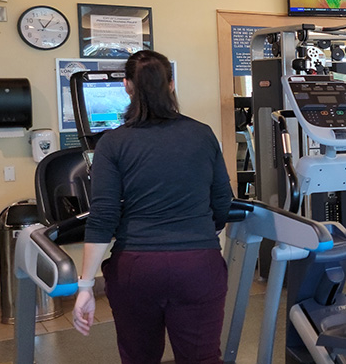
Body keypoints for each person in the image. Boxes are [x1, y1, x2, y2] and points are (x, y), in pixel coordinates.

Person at [72, 50, 234, 363]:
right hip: (198, 266)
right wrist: (195, 234)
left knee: (139, 357)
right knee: (202, 358)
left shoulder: (112, 143)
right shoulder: (202, 134)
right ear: (171, 84)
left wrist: (85, 286)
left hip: (136, 269)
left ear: (126, 86)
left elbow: (103, 216)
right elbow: (222, 204)